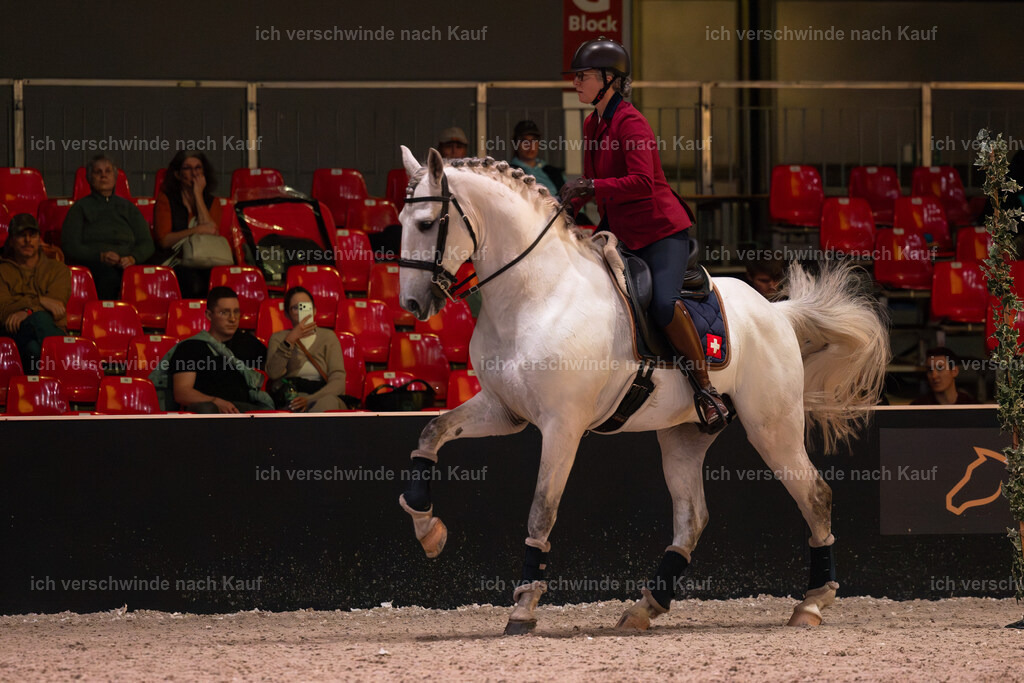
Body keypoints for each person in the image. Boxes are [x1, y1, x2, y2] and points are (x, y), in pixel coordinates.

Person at [559, 37, 729, 433]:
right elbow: (594, 183)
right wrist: (566, 207)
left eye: (582, 76)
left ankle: (706, 390)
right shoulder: (592, 122)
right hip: (619, 229)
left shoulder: (631, 121)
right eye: (576, 76)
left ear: (609, 79)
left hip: (660, 231)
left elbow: (641, 182)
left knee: (663, 306)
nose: (576, 83)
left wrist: (591, 187)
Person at [61, 155, 155, 300]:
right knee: (108, 277)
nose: (103, 175)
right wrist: (100, 256)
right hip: (95, 265)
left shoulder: (128, 208)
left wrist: (133, 258)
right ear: (89, 178)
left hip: (127, 264)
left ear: (115, 177)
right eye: (98, 172)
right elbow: (71, 246)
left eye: (108, 171)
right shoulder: (79, 208)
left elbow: (147, 243)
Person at [165, 286, 271, 413]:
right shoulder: (191, 347)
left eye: (236, 312)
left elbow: (274, 371)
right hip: (211, 412)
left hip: (245, 411)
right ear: (209, 315)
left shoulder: (249, 343)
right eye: (224, 312)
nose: (232, 319)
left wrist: (289, 341)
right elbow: (182, 393)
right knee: (206, 408)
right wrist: (215, 401)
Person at [0, 214, 71, 373]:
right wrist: (40, 302)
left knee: (33, 348)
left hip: (51, 328)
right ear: (11, 240)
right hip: (14, 331)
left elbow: (57, 305)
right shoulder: (1, 271)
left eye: (32, 235)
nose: (27, 241)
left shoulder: (58, 269)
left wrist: (26, 311)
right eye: (21, 236)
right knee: (40, 317)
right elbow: (3, 309)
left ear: (39, 239)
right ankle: (64, 370)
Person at [266, 286, 347, 412]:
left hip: (322, 395)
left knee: (327, 403)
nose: (301, 311)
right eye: (295, 308)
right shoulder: (279, 338)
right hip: (292, 395)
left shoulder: (328, 337)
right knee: (295, 405)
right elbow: (273, 373)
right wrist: (290, 340)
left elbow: (338, 381)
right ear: (287, 314)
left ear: (314, 310)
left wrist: (311, 399)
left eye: (305, 306)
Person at [154, 151, 223, 298]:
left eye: (198, 168)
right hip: (177, 260)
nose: (194, 173)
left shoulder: (213, 202)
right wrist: (196, 230)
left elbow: (212, 231)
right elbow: (164, 241)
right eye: (187, 168)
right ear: (177, 174)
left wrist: (198, 194)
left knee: (218, 281)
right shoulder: (166, 200)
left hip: (207, 258)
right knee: (192, 283)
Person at [509, 120, 566, 196]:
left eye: (533, 140)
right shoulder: (509, 174)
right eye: (524, 141)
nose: (530, 145)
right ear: (516, 144)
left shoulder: (554, 173)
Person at [911, 347, 977, 405]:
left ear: (955, 371)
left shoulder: (972, 406)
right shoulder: (919, 407)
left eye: (940, 368)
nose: (934, 376)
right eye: (930, 370)